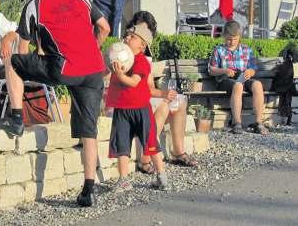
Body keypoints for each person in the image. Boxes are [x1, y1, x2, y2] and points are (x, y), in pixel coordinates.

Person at [2, 0, 110, 207]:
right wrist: (93, 48)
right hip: (93, 69)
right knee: (89, 131)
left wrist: (30, 70)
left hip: (62, 68)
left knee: (13, 61)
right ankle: (88, 189)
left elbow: (23, 48)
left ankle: (17, 118)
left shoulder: (34, 5)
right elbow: (104, 27)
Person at [126, 12, 197, 172]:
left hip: (144, 96)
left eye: (146, 31)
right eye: (139, 30)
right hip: (129, 100)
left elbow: (149, 85)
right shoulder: (125, 50)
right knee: (163, 105)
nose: (142, 34)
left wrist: (164, 94)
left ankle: (178, 152)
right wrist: (162, 95)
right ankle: (145, 157)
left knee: (180, 100)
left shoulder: (145, 53)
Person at [107, 23, 169, 192]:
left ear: (142, 45)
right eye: (127, 35)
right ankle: (123, 179)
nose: (127, 38)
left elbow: (134, 82)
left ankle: (161, 176)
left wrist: (120, 75)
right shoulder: (119, 58)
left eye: (132, 37)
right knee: (122, 144)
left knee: (150, 142)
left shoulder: (141, 61)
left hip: (141, 109)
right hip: (122, 108)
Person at [208, 20, 268, 135]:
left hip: (243, 77)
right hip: (225, 80)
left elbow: (253, 68)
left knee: (257, 85)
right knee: (238, 85)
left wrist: (251, 71)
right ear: (224, 36)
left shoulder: (246, 50)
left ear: (239, 36)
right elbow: (211, 70)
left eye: (235, 39)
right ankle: (237, 123)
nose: (232, 42)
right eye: (229, 39)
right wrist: (224, 70)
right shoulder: (219, 50)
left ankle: (259, 122)